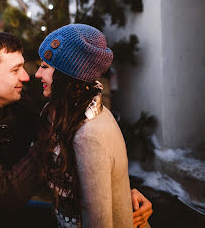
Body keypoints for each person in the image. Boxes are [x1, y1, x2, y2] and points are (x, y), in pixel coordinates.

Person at [0, 30, 152, 228]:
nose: (27, 77)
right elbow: (5, 196)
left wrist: (117, 195)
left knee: (68, 219)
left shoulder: (17, 103)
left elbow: (61, 157)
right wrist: (55, 128)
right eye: (15, 70)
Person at [35, 23, 152, 228]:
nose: (37, 74)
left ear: (66, 76)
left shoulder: (88, 135)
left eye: (45, 66)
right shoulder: (65, 117)